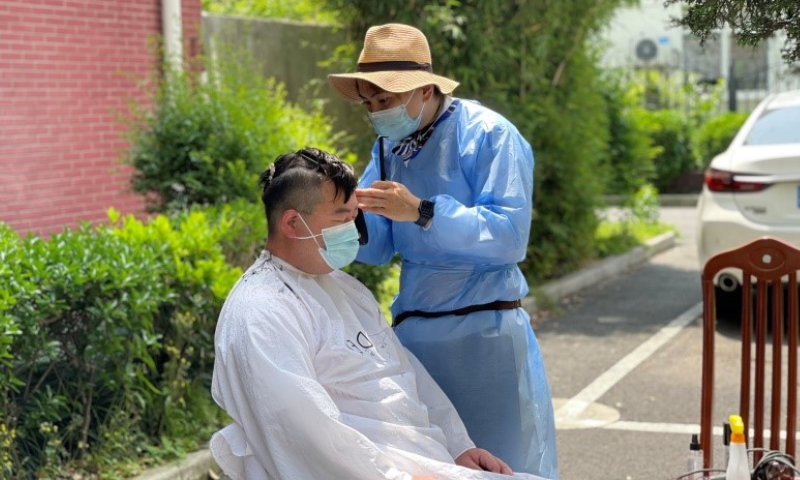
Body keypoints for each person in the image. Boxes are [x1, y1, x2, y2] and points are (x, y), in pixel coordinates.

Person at [209, 147, 548, 480]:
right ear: (293, 223)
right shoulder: (261, 312)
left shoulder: (345, 288)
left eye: (355, 216)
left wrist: (459, 446)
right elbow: (305, 432)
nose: (354, 230)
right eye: (342, 217)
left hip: (426, 462)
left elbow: (404, 372)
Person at [327, 24, 559, 478]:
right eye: (370, 104)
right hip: (417, 337)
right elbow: (377, 244)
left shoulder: (491, 135)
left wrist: (423, 211)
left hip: (484, 331)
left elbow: (510, 235)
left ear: (425, 89)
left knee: (503, 464)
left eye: (386, 100)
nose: (377, 113)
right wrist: (336, 224)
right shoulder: (390, 145)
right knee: (432, 465)